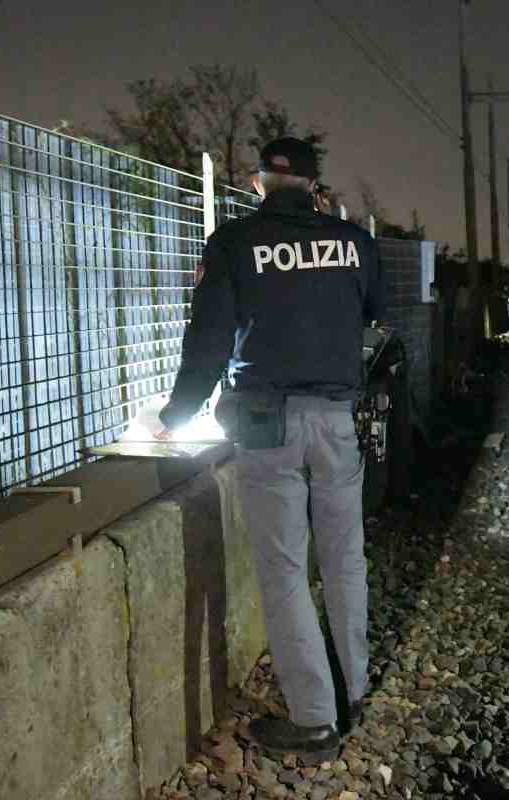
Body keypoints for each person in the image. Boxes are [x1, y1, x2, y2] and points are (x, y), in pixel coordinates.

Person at [156, 137, 384, 763]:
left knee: (285, 570)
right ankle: (353, 690)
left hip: (265, 425)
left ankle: (315, 720)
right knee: (345, 558)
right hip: (338, 419)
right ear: (314, 186)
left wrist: (176, 414)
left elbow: (207, 340)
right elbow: (374, 311)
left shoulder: (232, 244)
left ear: (258, 184)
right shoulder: (355, 244)